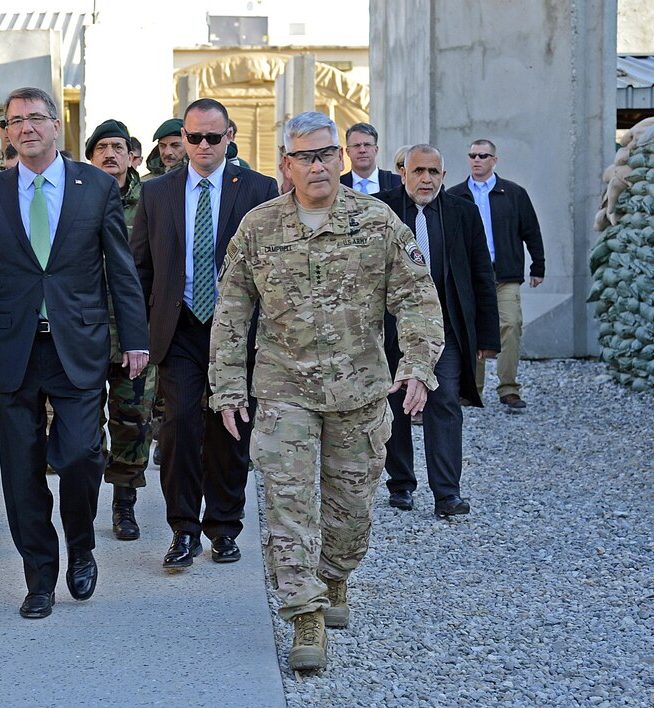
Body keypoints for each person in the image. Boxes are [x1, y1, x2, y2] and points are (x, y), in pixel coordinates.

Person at [209, 111, 444, 671]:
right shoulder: (259, 228)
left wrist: (417, 365)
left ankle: (336, 576)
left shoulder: (378, 221)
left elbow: (415, 297)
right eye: (305, 157)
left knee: (352, 509)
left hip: (359, 391)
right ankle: (305, 617)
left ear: (341, 158)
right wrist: (227, 387)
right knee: (288, 507)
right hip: (284, 389)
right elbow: (232, 310)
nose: (318, 166)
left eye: (326, 154)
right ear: (285, 165)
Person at [0, 87, 149, 620]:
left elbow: (120, 271)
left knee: (82, 455)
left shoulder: (94, 189)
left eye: (36, 118)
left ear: (54, 126)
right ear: (6, 131)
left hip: (78, 347)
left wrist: (135, 338)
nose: (26, 128)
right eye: (14, 121)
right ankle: (38, 575)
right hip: (15, 349)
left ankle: (81, 545)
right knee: (20, 471)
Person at [131, 97, 278, 570]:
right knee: (176, 428)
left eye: (213, 137)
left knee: (228, 428)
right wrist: (139, 333)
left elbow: (274, 268)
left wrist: (267, 329)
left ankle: (224, 527)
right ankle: (183, 530)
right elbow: (140, 269)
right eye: (193, 137)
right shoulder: (156, 194)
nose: (202, 146)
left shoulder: (258, 189)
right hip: (179, 329)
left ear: (229, 136)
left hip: (235, 330)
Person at [377, 145, 500, 517]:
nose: (426, 179)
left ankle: (447, 493)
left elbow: (481, 274)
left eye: (433, 172)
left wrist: (487, 336)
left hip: (444, 330)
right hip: (391, 327)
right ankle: (400, 484)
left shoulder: (463, 213)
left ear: (444, 176)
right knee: (395, 402)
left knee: (444, 400)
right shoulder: (382, 211)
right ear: (403, 173)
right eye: (418, 171)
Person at [85, 118, 155, 541]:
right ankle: (84, 501)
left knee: (133, 420)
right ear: (91, 156)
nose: (110, 154)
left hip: (136, 333)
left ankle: (124, 501)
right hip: (86, 333)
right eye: (101, 148)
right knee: (84, 425)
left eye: (118, 146)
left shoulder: (153, 199)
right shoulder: (76, 196)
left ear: (132, 155)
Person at [448, 139, 545, 412]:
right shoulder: (455, 195)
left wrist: (539, 266)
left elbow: (531, 231)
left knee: (511, 326)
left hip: (505, 275)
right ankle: (471, 390)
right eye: (472, 155)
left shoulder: (514, 193)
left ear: (494, 160)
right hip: (470, 278)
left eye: (483, 155)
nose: (477, 160)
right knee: (471, 330)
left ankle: (509, 390)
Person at [339, 122, 402, 194]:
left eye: (367, 145)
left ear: (376, 150)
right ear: (347, 151)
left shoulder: (398, 184)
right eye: (356, 145)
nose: (362, 150)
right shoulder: (338, 186)